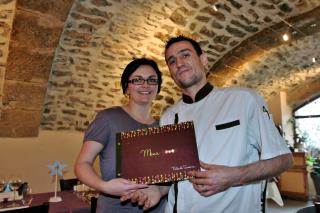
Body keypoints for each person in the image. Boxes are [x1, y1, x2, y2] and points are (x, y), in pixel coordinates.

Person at [121, 36, 293, 212]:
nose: (179, 63)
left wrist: (233, 176)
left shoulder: (244, 99)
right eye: (172, 61)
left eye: (185, 55)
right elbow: (175, 178)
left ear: (203, 60)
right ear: (171, 72)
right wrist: (157, 190)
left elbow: (283, 160)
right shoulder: (168, 116)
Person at [74, 58, 166, 212]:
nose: (146, 85)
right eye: (138, 80)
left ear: (157, 87)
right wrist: (104, 186)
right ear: (127, 87)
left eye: (152, 80)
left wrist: (160, 189)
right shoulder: (108, 118)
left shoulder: (163, 125)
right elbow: (82, 164)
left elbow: (172, 176)